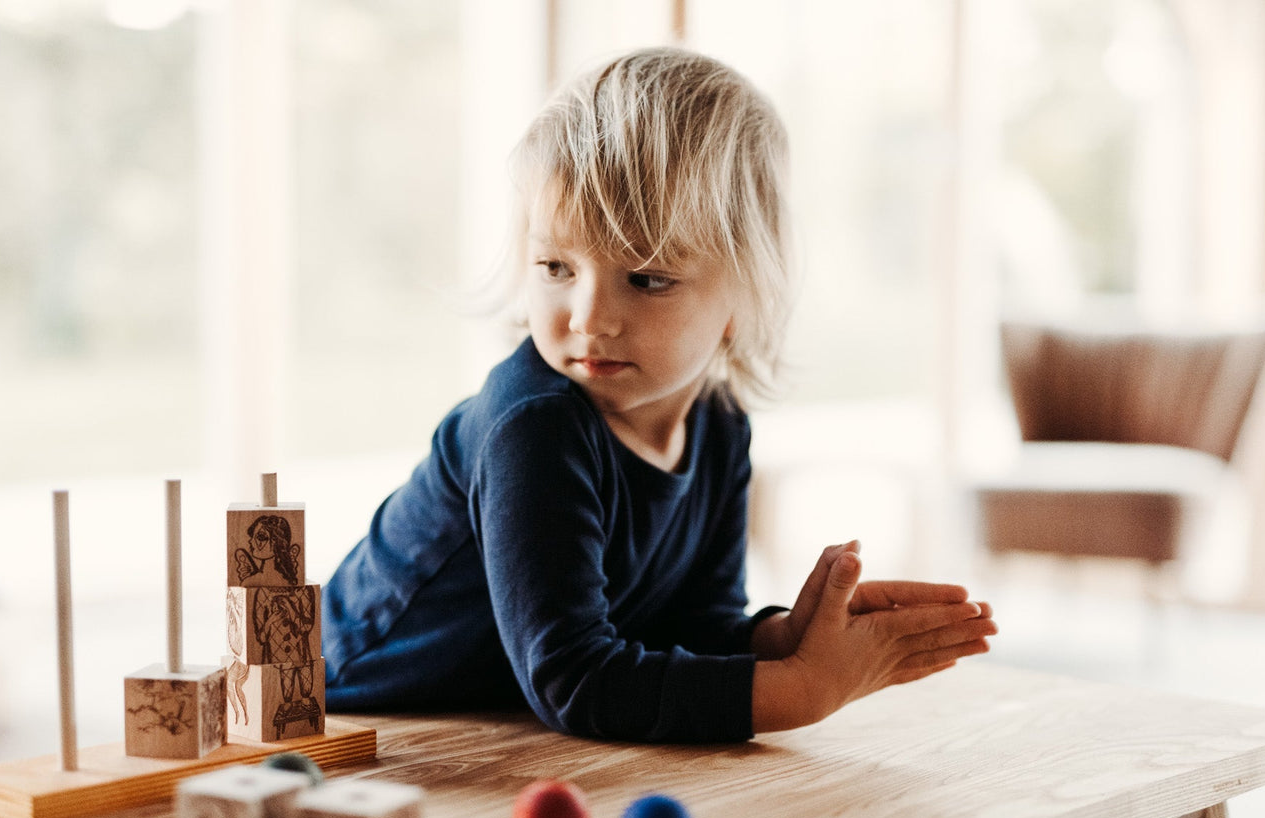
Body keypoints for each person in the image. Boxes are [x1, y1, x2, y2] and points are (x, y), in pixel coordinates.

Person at [322, 47, 995, 742]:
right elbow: (576, 678)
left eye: (644, 278)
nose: (587, 315)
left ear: (744, 294)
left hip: (495, 711)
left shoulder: (720, 425)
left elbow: (693, 625)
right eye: (556, 266)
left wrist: (788, 636)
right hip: (346, 703)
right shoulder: (534, 426)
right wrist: (802, 689)